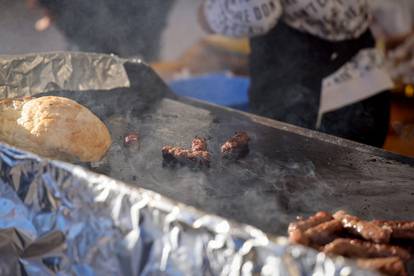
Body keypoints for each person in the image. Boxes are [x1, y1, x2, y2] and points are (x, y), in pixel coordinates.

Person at [198, 0, 413, 148]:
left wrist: (206, 14)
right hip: (368, 89)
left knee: (290, 199)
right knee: (355, 203)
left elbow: (256, 13)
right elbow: (393, 17)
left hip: (306, 108)